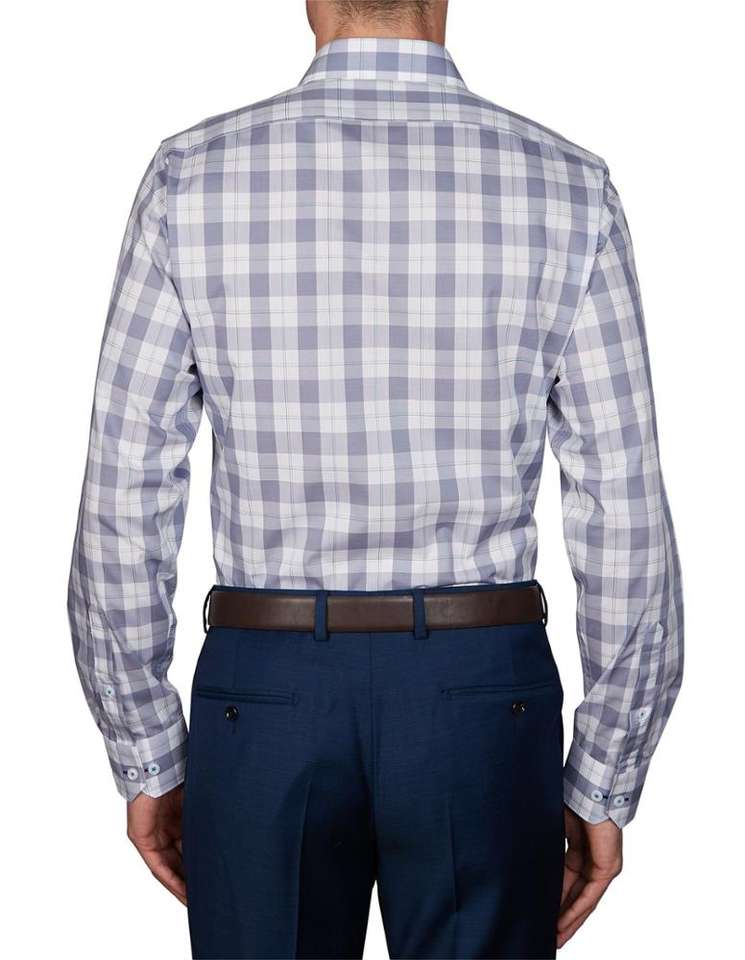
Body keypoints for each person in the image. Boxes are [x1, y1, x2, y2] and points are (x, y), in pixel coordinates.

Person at [67, 1, 684, 957]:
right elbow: (623, 504)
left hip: (263, 696)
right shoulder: (567, 187)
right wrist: (606, 772)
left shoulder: (192, 177)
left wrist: (144, 748)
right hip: (481, 699)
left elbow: (124, 489)